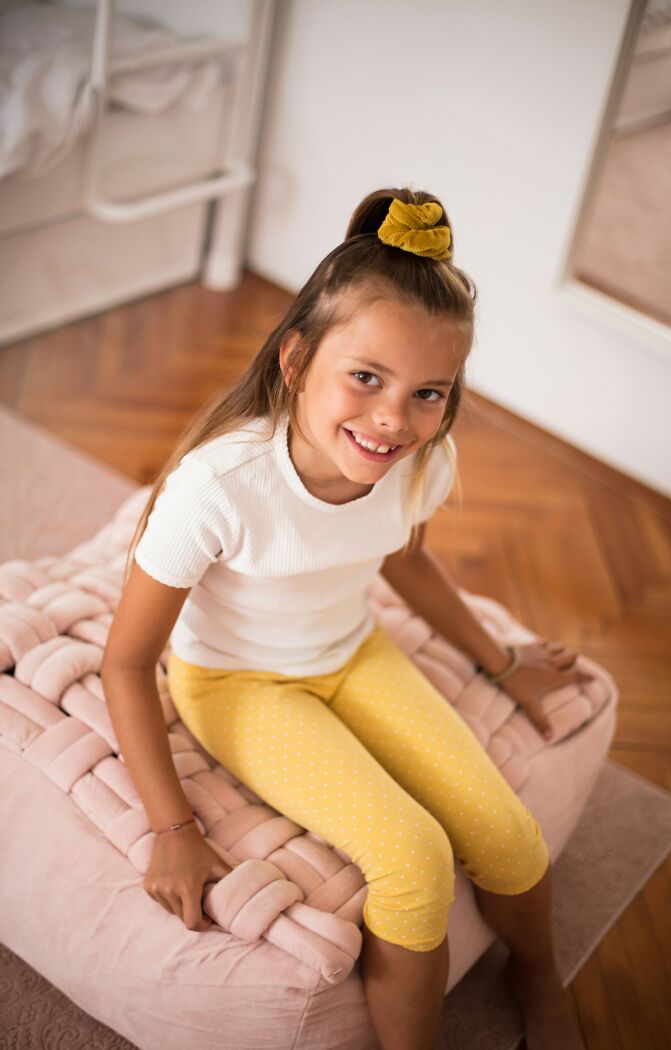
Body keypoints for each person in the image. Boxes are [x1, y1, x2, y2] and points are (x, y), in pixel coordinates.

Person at [102, 187, 592, 1050]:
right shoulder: (218, 489)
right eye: (365, 378)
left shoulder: (418, 462)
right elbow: (126, 663)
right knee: (412, 860)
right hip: (239, 684)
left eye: (428, 393)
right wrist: (172, 828)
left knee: (508, 837)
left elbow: (405, 557)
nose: (392, 421)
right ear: (295, 362)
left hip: (351, 651)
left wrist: (504, 661)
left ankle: (535, 973)